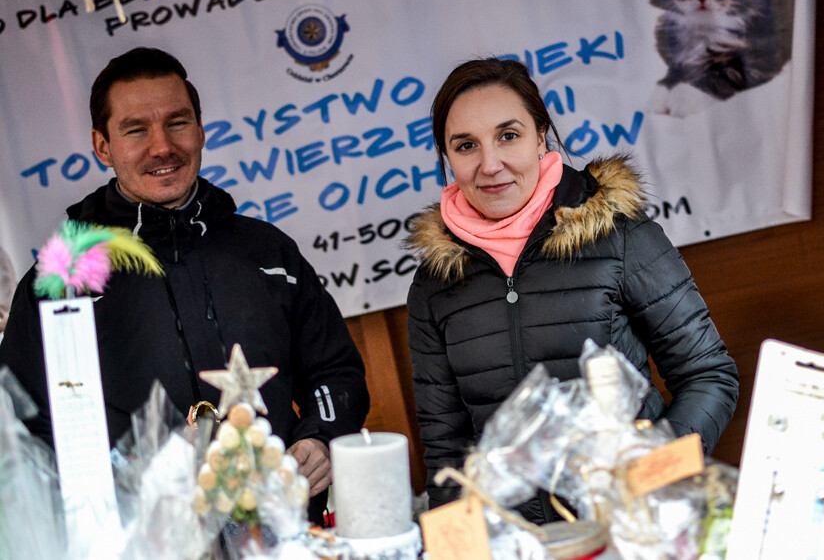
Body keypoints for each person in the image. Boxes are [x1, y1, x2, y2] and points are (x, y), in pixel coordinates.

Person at [0, 47, 370, 525]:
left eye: (177, 122)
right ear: (102, 146)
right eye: (136, 130)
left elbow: (336, 373)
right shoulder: (62, 277)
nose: (162, 147)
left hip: (280, 528)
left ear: (200, 129)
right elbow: (22, 427)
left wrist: (319, 436)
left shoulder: (267, 250)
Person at [406, 58, 739, 523]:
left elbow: (708, 374)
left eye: (508, 135)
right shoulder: (435, 284)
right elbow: (446, 449)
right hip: (518, 547)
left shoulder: (617, 233)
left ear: (540, 135)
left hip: (638, 528)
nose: (490, 164)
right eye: (466, 145)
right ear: (447, 156)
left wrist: (653, 476)